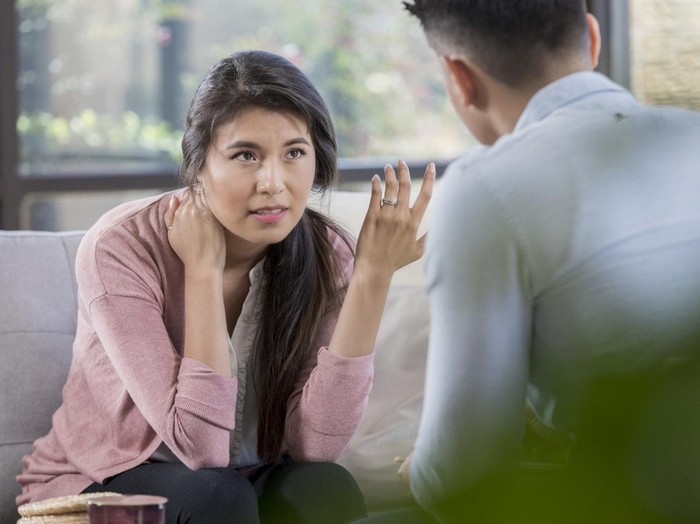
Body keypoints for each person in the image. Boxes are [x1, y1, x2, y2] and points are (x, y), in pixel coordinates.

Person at [17, 49, 435, 523]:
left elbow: (316, 446)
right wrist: (202, 271)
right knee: (217, 496)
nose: (273, 183)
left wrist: (371, 278)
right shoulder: (121, 247)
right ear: (198, 165)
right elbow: (202, 451)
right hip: (112, 479)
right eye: (245, 155)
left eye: (294, 153)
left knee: (326, 487)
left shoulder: (327, 251)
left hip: (244, 473)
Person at [389, 1, 700, 522]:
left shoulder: (483, 189)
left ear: (460, 78)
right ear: (593, 39)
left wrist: (422, 471)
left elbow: (462, 477)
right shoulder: (690, 135)